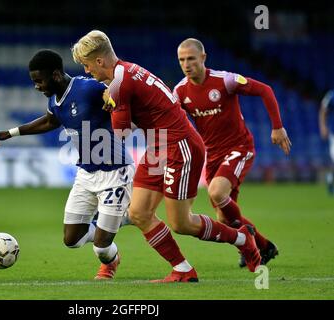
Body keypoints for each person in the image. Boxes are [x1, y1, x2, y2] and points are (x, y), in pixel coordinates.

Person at [71, 30, 261, 283]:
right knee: (138, 212)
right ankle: (182, 269)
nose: (86, 71)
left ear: (100, 61)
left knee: (182, 223)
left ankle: (242, 238)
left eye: (86, 65)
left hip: (178, 146)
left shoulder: (118, 83)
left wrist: (110, 103)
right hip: (159, 145)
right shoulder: (126, 71)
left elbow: (122, 132)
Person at [0, 49, 135, 280]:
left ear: (55, 75)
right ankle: (119, 218)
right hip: (86, 173)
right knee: (71, 240)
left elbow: (119, 91)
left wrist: (113, 99)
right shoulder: (54, 100)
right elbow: (49, 121)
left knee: (100, 247)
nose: (36, 86)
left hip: (115, 171)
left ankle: (116, 244)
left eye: (39, 80)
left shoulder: (87, 88)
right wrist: (9, 133)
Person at [173, 38, 292, 267]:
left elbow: (265, 90)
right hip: (213, 156)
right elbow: (169, 119)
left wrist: (277, 126)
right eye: (181, 60)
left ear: (203, 58)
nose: (186, 64)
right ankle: (265, 246)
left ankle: (248, 242)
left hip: (239, 148)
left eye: (191, 58)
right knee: (223, 219)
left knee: (218, 192)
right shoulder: (179, 92)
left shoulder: (224, 80)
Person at [319, 89, 334, 195]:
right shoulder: (331, 95)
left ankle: (330, 179)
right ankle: (330, 180)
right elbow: (323, 110)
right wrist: (323, 126)